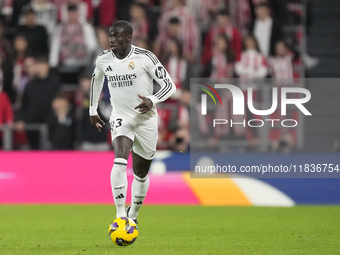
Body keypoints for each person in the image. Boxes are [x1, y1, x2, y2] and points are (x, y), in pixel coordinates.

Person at [89, 20, 176, 222]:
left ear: (128, 37)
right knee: (119, 162)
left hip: (145, 120)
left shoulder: (145, 57)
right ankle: (120, 215)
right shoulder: (103, 59)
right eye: (110, 35)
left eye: (116, 35)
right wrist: (92, 110)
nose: (111, 39)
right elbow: (96, 81)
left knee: (141, 172)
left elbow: (169, 86)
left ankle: (133, 214)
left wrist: (152, 99)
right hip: (121, 117)